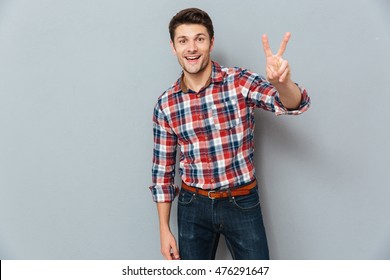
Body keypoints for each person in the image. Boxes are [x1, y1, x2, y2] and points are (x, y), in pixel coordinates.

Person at [149, 8, 310, 260]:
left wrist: (282, 83)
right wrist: (164, 229)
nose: (191, 47)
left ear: (211, 42)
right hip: (193, 206)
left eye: (199, 38)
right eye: (183, 41)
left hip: (241, 201)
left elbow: (290, 104)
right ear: (173, 47)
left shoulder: (239, 82)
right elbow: (163, 173)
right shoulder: (166, 104)